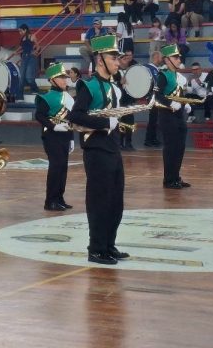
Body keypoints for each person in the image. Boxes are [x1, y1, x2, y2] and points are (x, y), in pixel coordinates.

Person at [68, 34, 128, 265]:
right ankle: (96, 248)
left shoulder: (113, 87)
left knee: (116, 202)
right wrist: (105, 123)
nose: (117, 62)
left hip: (113, 148)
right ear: (100, 60)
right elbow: (76, 116)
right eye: (113, 58)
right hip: (96, 150)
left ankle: (109, 245)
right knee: (99, 201)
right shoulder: (88, 86)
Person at [35, 63, 75, 211]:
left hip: (65, 136)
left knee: (63, 168)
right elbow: (39, 116)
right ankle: (50, 200)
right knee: (56, 168)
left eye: (65, 77)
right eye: (61, 78)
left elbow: (70, 119)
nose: (65, 80)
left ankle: (59, 198)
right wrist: (53, 126)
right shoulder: (45, 97)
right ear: (52, 80)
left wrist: (71, 138)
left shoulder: (68, 97)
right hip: (52, 136)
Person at [155, 44, 191, 188]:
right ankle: (169, 179)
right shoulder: (163, 75)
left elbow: (179, 94)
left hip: (178, 115)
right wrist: (170, 103)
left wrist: (185, 103)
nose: (179, 60)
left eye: (178, 57)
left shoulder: (177, 76)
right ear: (167, 59)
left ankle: (176, 176)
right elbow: (157, 96)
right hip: (167, 115)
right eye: (175, 57)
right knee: (171, 148)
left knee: (180, 147)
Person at [143, 50, 163, 147]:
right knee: (153, 119)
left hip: (156, 96)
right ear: (156, 57)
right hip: (152, 96)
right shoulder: (148, 68)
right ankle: (148, 139)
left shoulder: (156, 69)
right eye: (161, 57)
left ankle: (153, 138)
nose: (162, 59)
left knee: (155, 119)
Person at [16, 24, 39, 94]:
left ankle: (35, 89)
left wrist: (35, 52)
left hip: (31, 57)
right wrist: (16, 52)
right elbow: (24, 48)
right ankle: (20, 94)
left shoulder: (32, 36)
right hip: (24, 57)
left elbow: (38, 46)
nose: (20, 33)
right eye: (19, 31)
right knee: (21, 77)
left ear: (25, 30)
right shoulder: (22, 38)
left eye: (21, 31)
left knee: (29, 77)